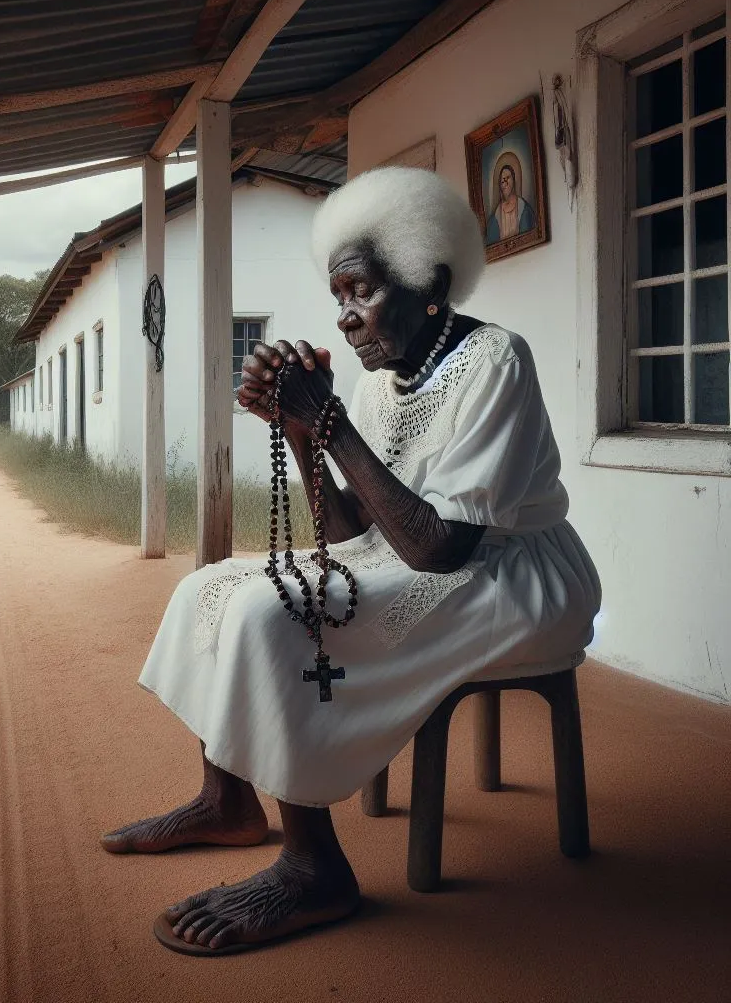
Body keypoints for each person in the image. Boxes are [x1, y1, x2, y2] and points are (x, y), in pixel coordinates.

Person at [101, 166, 601, 956]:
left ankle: (313, 869)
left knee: (278, 614)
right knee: (211, 586)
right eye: (338, 299)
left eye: (359, 292)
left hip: (513, 576)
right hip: (415, 554)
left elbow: (442, 546)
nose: (346, 320)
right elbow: (344, 530)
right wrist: (304, 433)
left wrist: (326, 420)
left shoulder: (497, 361)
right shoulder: (378, 386)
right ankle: (227, 799)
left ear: (429, 281)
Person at [486, 163, 535, 243]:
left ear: (514, 179)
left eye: (508, 178)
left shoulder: (524, 208)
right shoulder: (496, 216)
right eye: (502, 181)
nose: (505, 183)